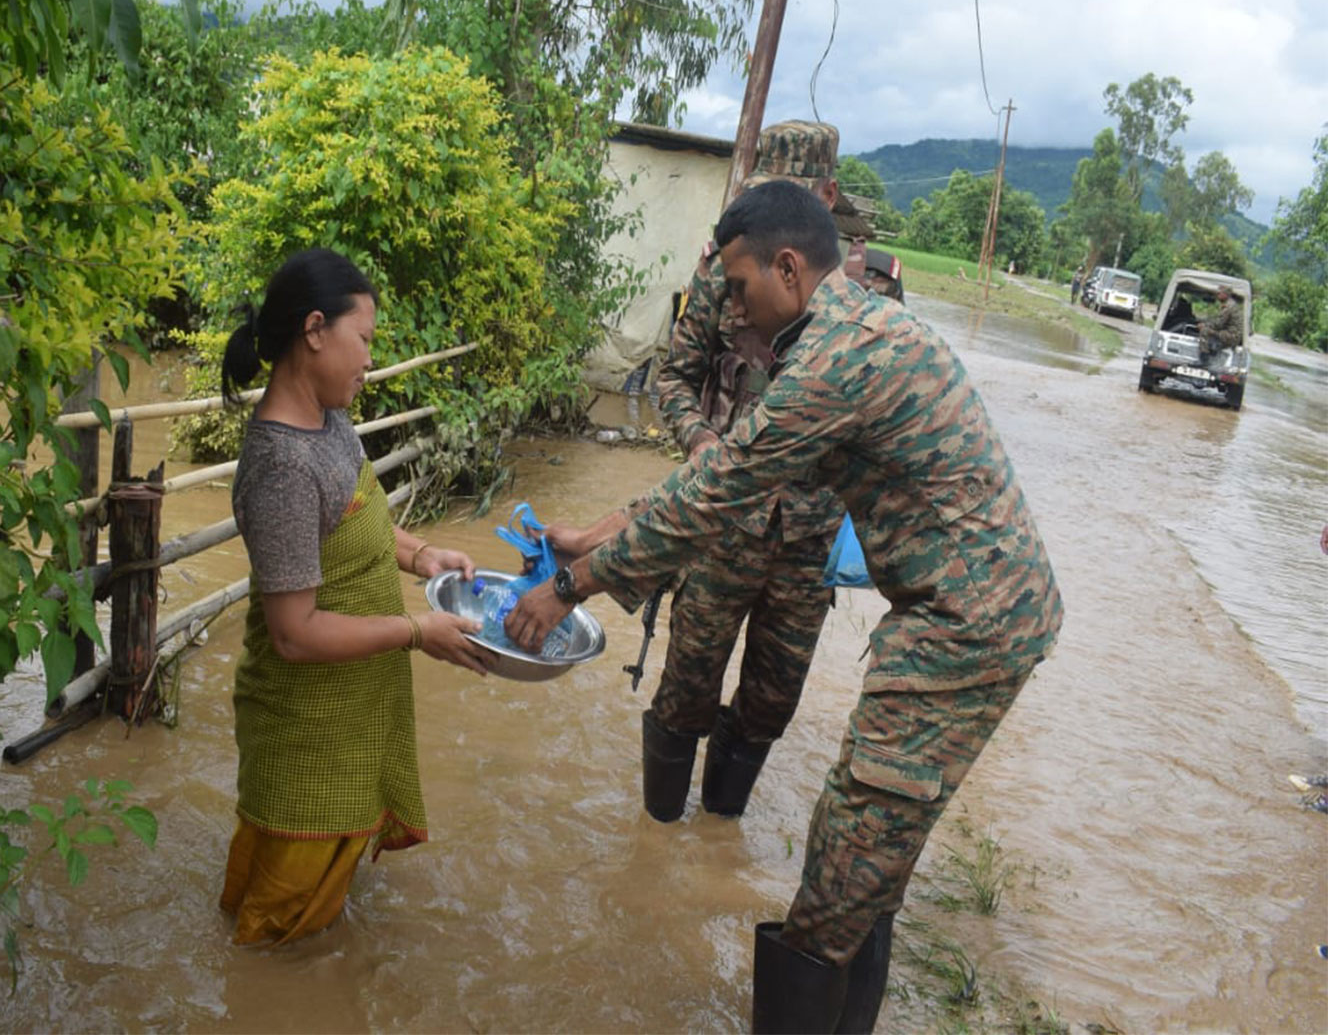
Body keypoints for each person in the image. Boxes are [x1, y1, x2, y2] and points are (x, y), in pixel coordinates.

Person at [506, 181, 1063, 1033]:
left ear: (790, 268)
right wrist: (598, 533)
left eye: (739, 286)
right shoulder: (857, 332)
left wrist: (568, 588)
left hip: (959, 628)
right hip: (973, 616)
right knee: (869, 863)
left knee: (839, 870)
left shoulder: (835, 361)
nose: (732, 306)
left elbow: (717, 491)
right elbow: (722, 476)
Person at [544, 123, 848, 825]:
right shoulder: (724, 273)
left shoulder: (867, 301)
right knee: (687, 685)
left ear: (827, 197)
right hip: (718, 527)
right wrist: (703, 441)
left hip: (806, 542)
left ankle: (720, 829)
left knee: (772, 699)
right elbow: (673, 378)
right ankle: (658, 842)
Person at [218, 247, 490, 948]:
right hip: (306, 732)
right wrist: (415, 632)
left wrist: (423, 554)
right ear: (315, 330)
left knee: (316, 927)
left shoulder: (330, 422)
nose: (369, 358)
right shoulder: (281, 464)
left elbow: (358, 521)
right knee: (277, 945)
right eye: (363, 339)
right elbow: (295, 633)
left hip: (347, 715)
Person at [1197, 285, 1244, 362]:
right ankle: (1213, 351)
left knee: (1204, 331)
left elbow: (1218, 324)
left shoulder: (1228, 306)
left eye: (1219, 293)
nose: (1217, 295)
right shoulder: (1231, 304)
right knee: (1211, 332)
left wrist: (1204, 325)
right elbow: (1219, 320)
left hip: (1231, 336)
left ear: (1225, 294)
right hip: (1232, 334)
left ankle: (1204, 358)